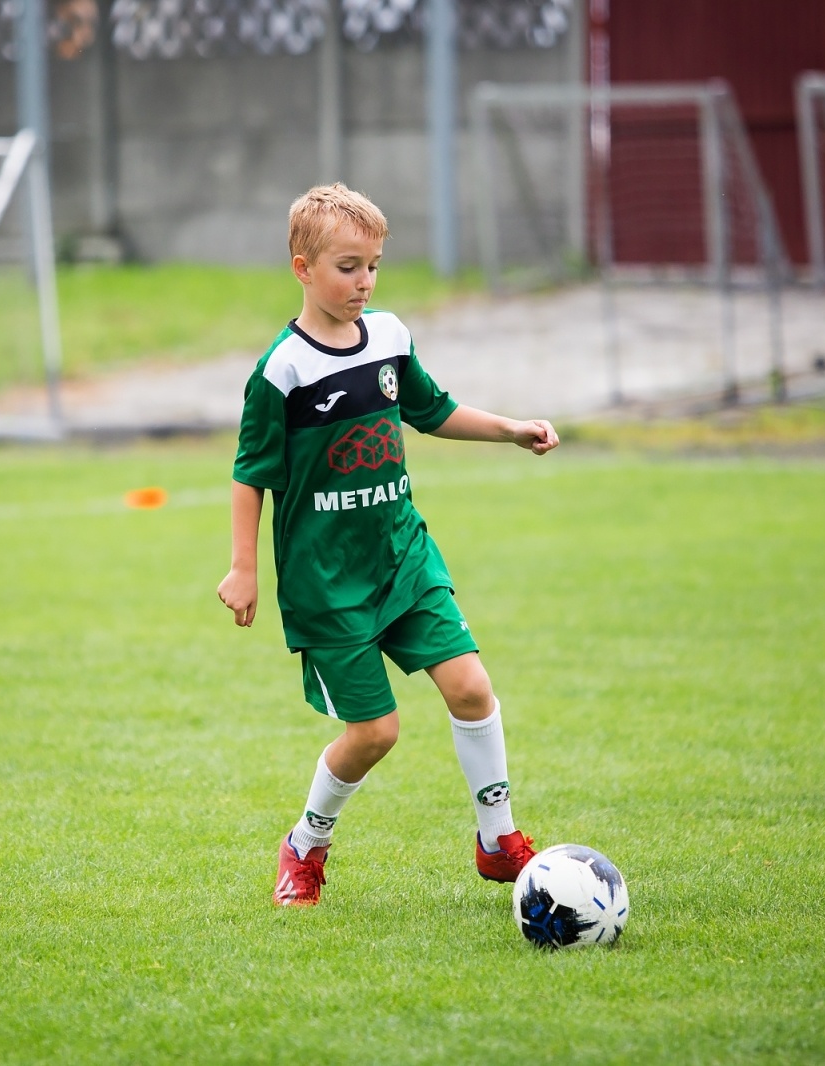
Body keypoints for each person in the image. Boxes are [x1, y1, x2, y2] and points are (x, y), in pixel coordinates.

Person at [217, 183, 560, 906]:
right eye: (348, 268)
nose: (364, 282)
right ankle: (304, 845)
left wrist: (509, 429)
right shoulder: (282, 371)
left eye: (372, 266)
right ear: (303, 268)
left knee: (471, 688)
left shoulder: (391, 337)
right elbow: (250, 474)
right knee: (375, 732)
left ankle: (498, 840)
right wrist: (244, 568)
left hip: (403, 556)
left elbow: (431, 410)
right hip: (326, 583)